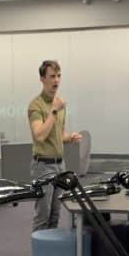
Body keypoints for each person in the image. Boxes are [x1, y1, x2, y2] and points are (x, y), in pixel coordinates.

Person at [28, 59, 83, 231]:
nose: (56, 80)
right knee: (42, 216)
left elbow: (58, 133)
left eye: (59, 76)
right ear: (42, 79)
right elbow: (40, 135)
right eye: (52, 76)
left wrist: (68, 137)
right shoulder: (35, 105)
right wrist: (53, 110)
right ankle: (40, 255)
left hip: (60, 165)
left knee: (55, 214)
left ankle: (50, 254)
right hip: (43, 166)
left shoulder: (59, 105)